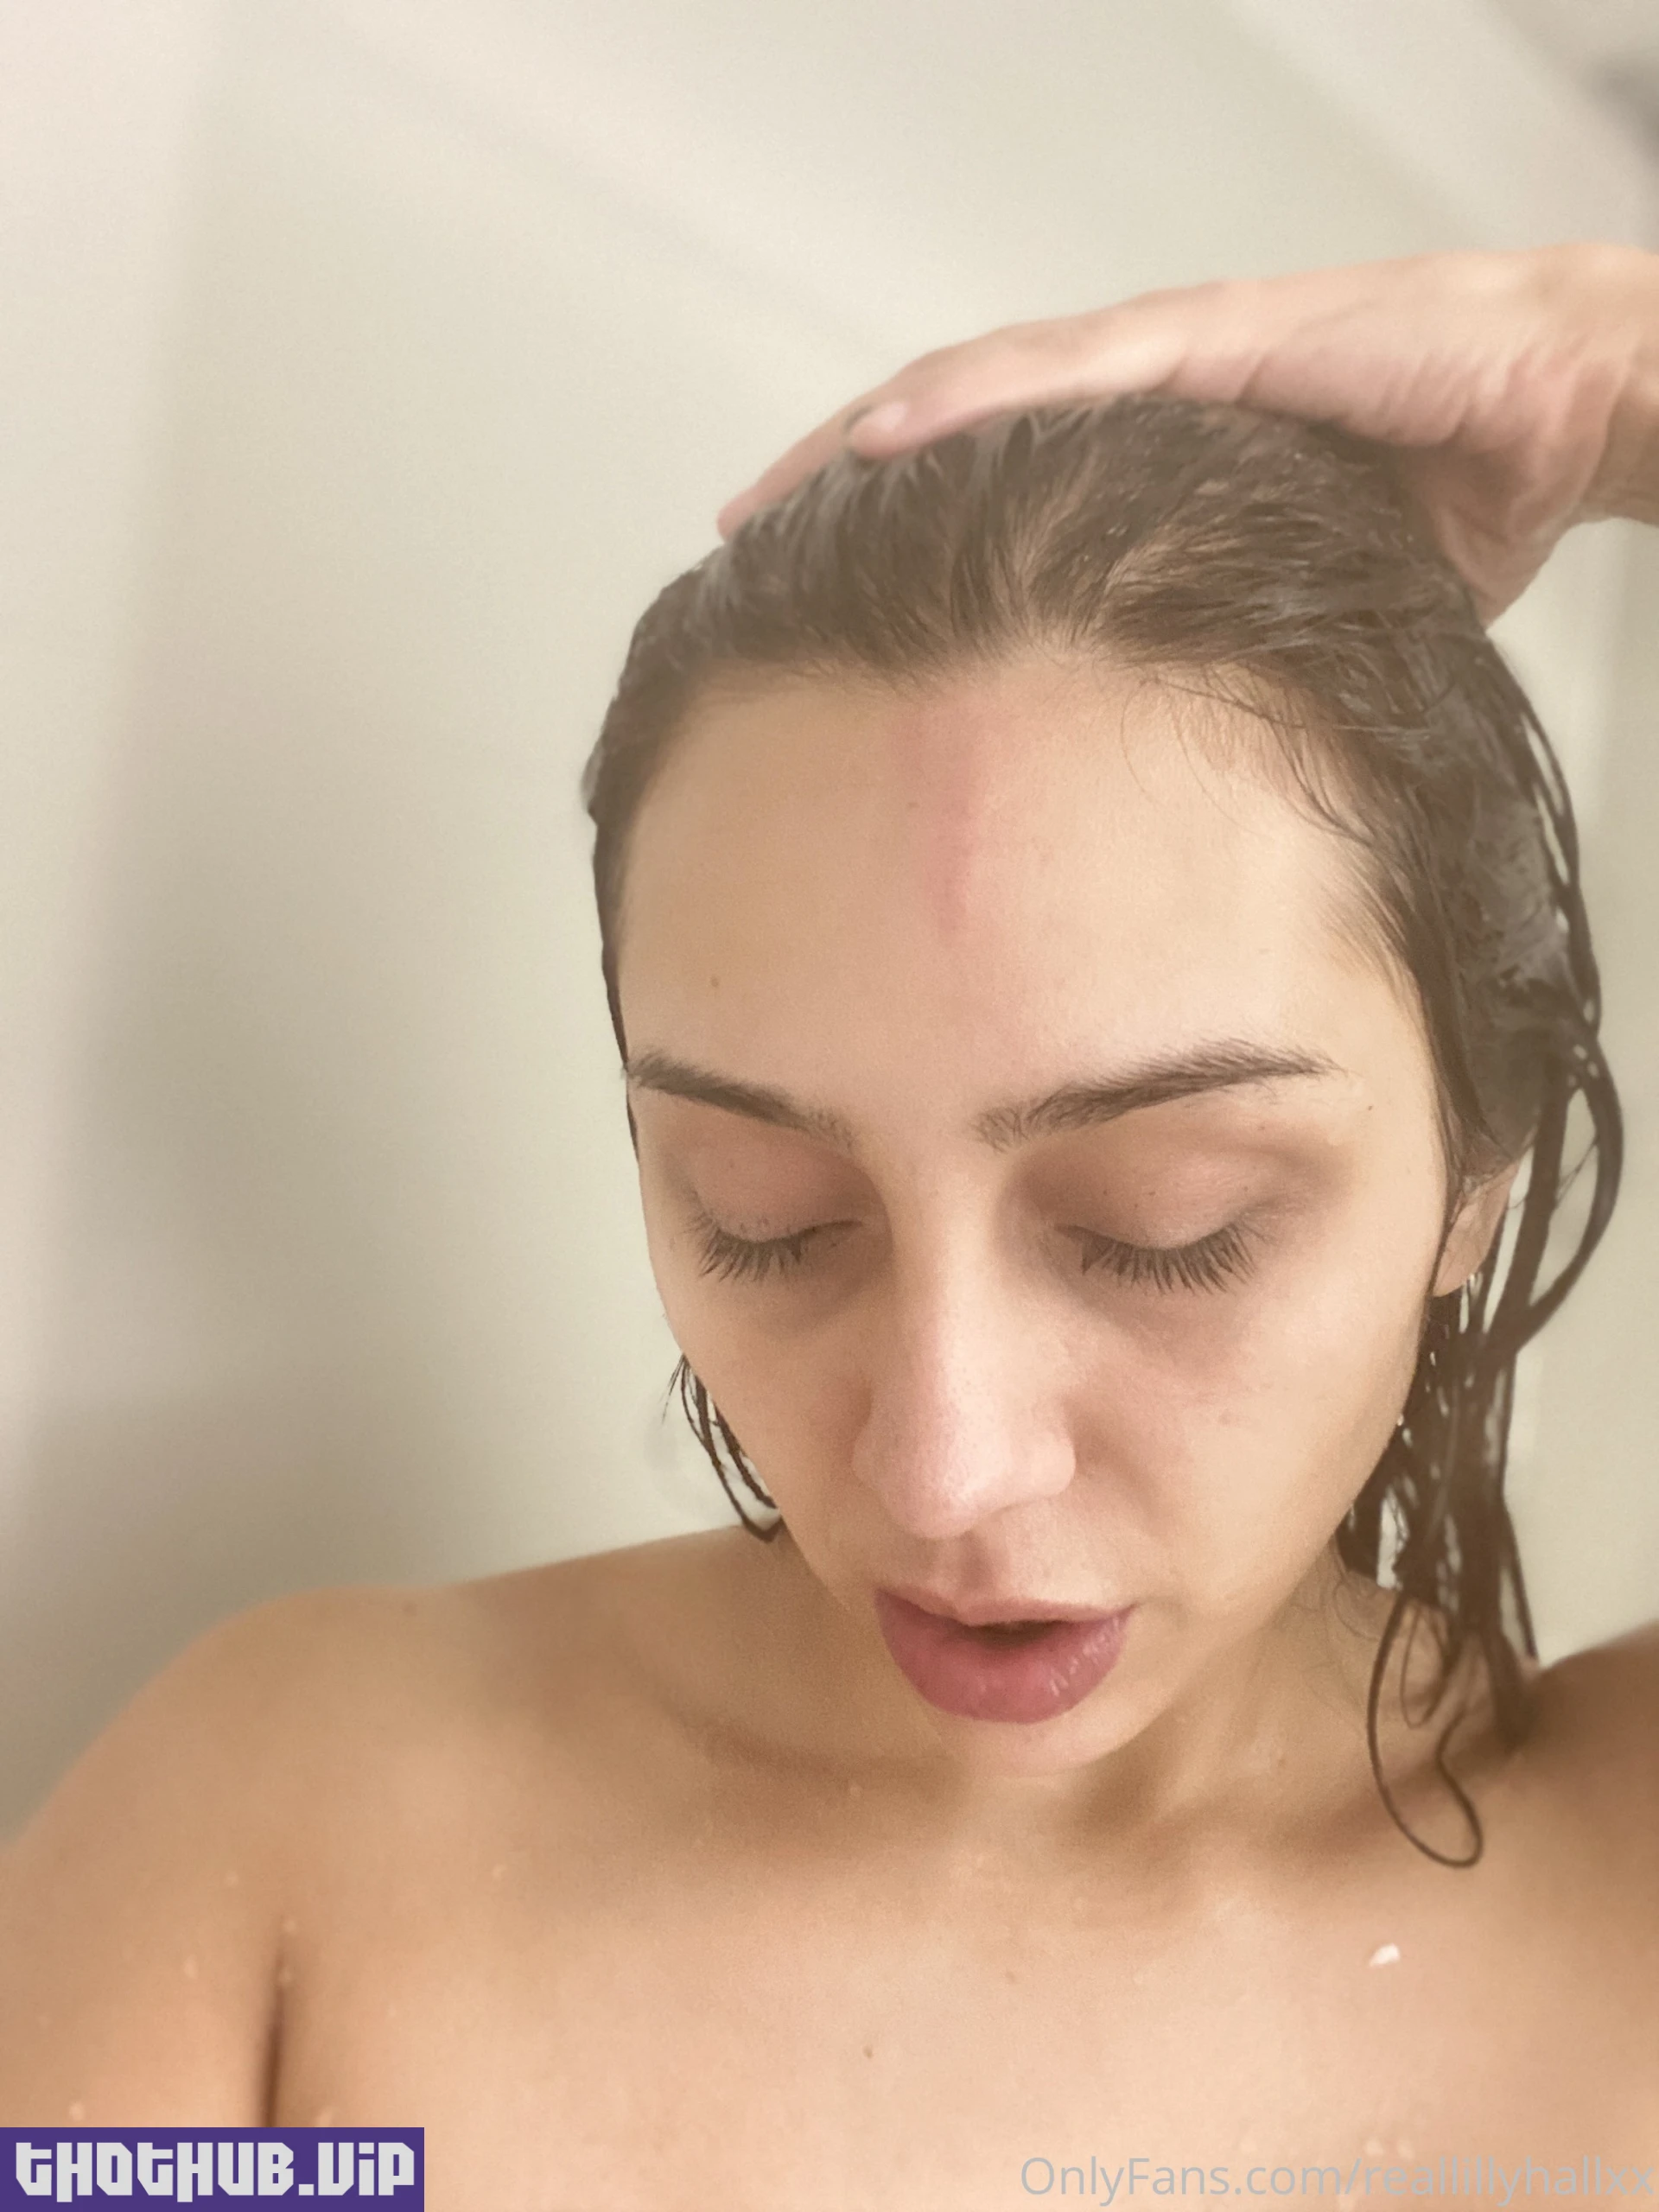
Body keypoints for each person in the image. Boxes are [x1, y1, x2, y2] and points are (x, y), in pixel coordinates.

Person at [2, 243, 1656, 2205]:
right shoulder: (296, 1834)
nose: (940, 1463)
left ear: (1478, 1172)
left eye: (1169, 1228)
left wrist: (1607, 364)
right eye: (767, 1218)